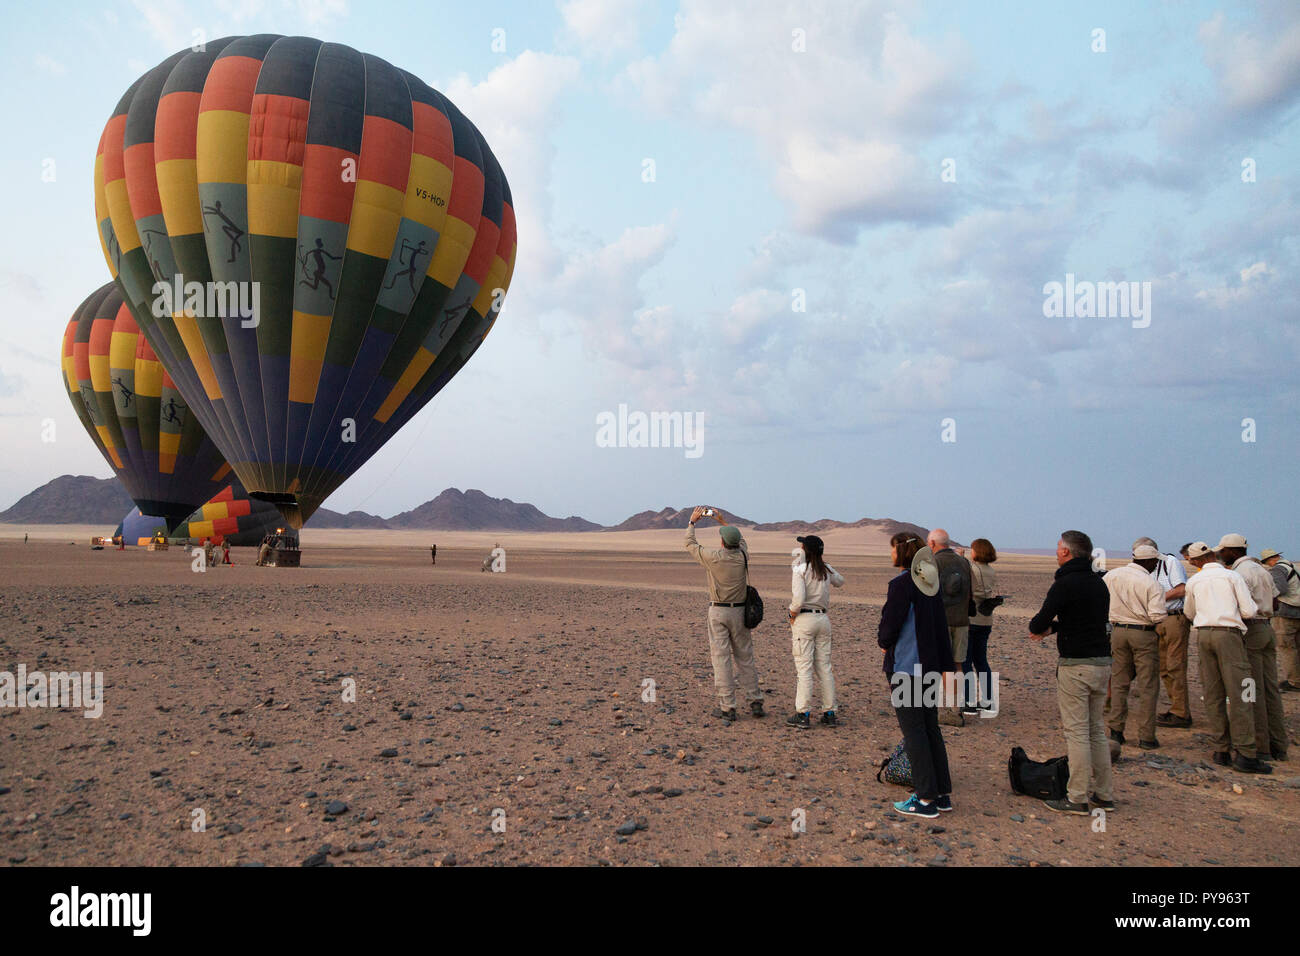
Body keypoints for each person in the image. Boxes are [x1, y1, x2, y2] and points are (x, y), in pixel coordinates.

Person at [1028, 530, 1114, 814]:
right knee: (1096, 730)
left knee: (1077, 732)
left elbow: (1037, 621)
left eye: (1057, 548)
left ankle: (1076, 797)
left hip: (1076, 665)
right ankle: (1104, 794)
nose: (1055, 552)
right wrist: (1055, 628)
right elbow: (1085, 621)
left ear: (1066, 552)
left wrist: (1042, 627)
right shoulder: (1099, 583)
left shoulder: (1064, 584)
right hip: (1102, 663)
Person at [879, 533, 955, 819]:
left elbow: (889, 628)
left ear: (901, 552)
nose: (890, 555)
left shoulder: (901, 585)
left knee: (914, 732)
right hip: (927, 668)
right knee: (929, 727)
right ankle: (941, 792)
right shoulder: (929, 584)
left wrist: (883, 642)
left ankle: (924, 798)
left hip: (906, 670)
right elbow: (940, 629)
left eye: (891, 549)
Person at [1183, 541, 1270, 773]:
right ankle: (1245, 753)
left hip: (1203, 635)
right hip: (1228, 635)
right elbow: (1249, 611)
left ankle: (1220, 748)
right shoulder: (1232, 578)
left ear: (1195, 561)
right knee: (1241, 693)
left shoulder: (1194, 581)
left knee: (1213, 693)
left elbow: (1188, 612)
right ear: (1213, 555)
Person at [685, 505, 764, 722]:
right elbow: (743, 542)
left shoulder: (713, 557)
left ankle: (728, 707)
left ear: (722, 543)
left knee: (721, 660)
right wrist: (723, 521)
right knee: (745, 658)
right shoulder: (743, 556)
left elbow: (690, 544)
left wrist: (692, 522)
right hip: (740, 613)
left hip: (719, 612)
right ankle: (755, 701)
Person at [1216, 534, 1286, 761]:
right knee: (1270, 688)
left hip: (1251, 630)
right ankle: (1278, 745)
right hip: (1267, 627)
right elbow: (1275, 601)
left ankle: (1259, 747)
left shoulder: (1239, 574)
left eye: (1223, 551)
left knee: (1250, 688)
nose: (1221, 554)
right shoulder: (1261, 570)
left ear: (1233, 552)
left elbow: (1241, 607)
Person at [1103, 544, 1168, 752]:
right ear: (1149, 562)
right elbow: (1158, 616)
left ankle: (1116, 731)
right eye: (1155, 562)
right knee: (1148, 685)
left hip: (1118, 632)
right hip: (1143, 633)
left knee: (1120, 681)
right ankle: (1146, 736)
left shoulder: (1112, 576)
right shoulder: (1152, 584)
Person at [1132, 537, 1192, 729]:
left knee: (1176, 664)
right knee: (1164, 667)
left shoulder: (1170, 563)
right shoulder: (1144, 570)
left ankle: (1181, 713)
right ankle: (1177, 709)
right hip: (1156, 620)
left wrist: (1155, 599)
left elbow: (1181, 589)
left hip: (1174, 618)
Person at [785, 534, 844, 728]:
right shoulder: (825, 569)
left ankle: (803, 713)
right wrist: (825, 565)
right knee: (824, 667)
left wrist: (792, 614)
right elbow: (840, 581)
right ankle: (829, 712)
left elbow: (799, 600)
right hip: (823, 620)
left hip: (805, 620)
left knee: (804, 669)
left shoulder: (800, 570)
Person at [927, 528, 972, 725]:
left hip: (940, 621)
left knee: (939, 666)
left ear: (932, 544)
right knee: (958, 664)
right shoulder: (964, 562)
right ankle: (956, 708)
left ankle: (943, 709)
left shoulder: (933, 562)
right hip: (961, 620)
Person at [963, 538, 1002, 714]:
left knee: (966, 662)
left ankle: (969, 701)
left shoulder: (973, 569)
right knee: (981, 661)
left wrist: (961, 560)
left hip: (972, 620)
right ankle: (987, 700)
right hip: (986, 621)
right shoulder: (991, 571)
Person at [1262, 550, 1300, 691]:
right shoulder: (1293, 566)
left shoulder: (1278, 569)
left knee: (1287, 647)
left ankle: (1294, 681)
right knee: (1297, 646)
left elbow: (1280, 589)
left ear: (1270, 560)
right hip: (1297, 611)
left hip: (1286, 613)